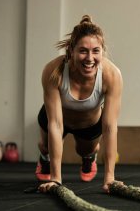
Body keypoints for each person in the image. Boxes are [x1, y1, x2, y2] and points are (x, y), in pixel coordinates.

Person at [35, 15, 123, 193]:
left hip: (89, 124)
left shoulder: (112, 75)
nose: (89, 58)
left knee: (84, 151)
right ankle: (44, 157)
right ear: (71, 50)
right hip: (58, 117)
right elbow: (55, 124)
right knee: (45, 145)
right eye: (83, 51)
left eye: (96, 51)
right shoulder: (53, 71)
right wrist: (56, 180)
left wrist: (110, 178)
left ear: (102, 51)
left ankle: (89, 156)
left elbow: (110, 127)